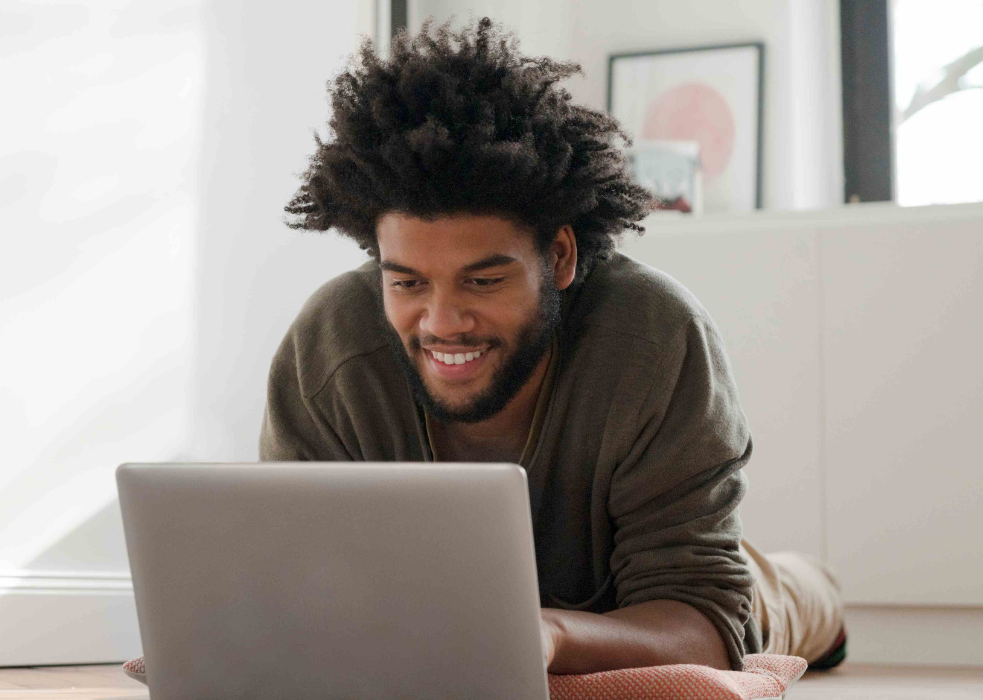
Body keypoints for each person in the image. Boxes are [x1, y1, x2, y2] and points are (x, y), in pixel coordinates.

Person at [265, 19, 845, 674]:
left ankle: (805, 584)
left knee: (773, 603)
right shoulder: (329, 351)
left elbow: (704, 623)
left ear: (560, 256)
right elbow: (293, 588)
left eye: (483, 280)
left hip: (633, 599)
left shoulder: (655, 339)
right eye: (407, 282)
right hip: (451, 616)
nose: (442, 321)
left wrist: (548, 637)